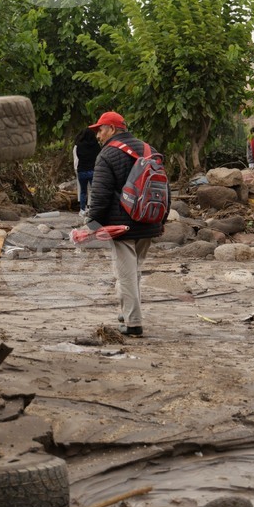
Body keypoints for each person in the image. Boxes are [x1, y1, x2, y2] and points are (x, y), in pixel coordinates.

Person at [83, 111, 168, 338]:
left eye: (100, 130)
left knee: (126, 275)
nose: (98, 135)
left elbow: (99, 195)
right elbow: (163, 189)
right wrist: (162, 220)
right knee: (132, 271)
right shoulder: (150, 150)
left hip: (122, 226)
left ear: (112, 129)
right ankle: (126, 313)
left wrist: (91, 225)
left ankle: (133, 324)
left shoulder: (107, 154)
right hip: (149, 221)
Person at [72, 127, 101, 216]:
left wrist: (76, 170)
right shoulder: (96, 145)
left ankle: (82, 209)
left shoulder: (78, 146)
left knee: (83, 191)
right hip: (93, 170)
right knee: (93, 191)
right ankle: (92, 208)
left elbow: (76, 159)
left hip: (82, 171)